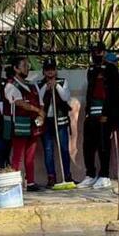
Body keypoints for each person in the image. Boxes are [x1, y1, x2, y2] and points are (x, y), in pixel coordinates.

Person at [81, 42, 119, 189]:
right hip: (92, 112)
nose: (95, 54)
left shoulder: (111, 69)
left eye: (98, 51)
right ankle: (90, 174)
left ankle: (104, 175)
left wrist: (107, 113)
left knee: (103, 145)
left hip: (105, 112)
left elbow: (113, 94)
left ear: (103, 52)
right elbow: (89, 92)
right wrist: (87, 112)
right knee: (88, 145)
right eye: (93, 52)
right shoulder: (91, 69)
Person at [4, 56, 45, 191]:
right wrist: (37, 110)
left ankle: (31, 182)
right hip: (19, 124)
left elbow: (41, 102)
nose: (27, 68)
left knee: (30, 155)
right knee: (17, 155)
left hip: (33, 124)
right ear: (16, 68)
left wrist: (41, 114)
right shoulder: (10, 85)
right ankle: (14, 184)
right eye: (24, 66)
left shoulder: (32, 85)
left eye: (28, 66)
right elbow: (20, 103)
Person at [37, 57, 74, 187]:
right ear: (43, 71)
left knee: (64, 149)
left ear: (56, 70)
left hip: (61, 121)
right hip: (46, 122)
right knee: (48, 150)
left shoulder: (63, 82)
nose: (50, 72)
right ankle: (51, 177)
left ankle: (67, 175)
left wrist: (56, 86)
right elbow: (38, 99)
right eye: (47, 70)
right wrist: (46, 89)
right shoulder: (39, 84)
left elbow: (65, 97)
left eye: (52, 69)